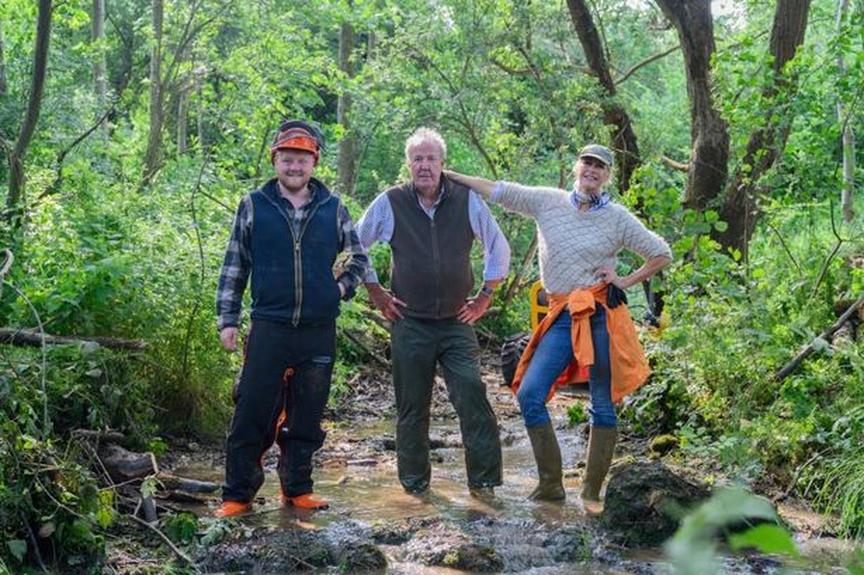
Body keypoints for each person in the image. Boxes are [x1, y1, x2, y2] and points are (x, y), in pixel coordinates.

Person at [446, 144, 672, 514]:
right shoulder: (546, 201)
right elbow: (498, 190)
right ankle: (551, 486)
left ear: (608, 175)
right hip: (560, 313)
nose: (592, 170)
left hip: (600, 313)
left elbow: (661, 252)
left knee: (602, 402)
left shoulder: (617, 218)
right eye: (587, 163)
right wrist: (450, 175)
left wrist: (625, 280)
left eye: (600, 167)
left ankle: (591, 494)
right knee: (530, 393)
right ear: (576, 167)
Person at [214, 119, 368, 517]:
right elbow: (235, 263)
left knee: (307, 415)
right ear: (275, 161)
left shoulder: (333, 208)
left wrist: (339, 289)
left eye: (302, 159)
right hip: (269, 326)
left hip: (318, 330)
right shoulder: (254, 205)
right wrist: (228, 319)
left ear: (314, 162)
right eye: (287, 159)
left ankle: (297, 489)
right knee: (251, 411)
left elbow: (358, 258)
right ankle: (238, 495)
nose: (294, 166)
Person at [357, 127, 511, 496]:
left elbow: (498, 246)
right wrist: (375, 291)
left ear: (442, 163)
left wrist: (485, 296)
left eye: (430, 158)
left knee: (472, 395)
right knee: (412, 407)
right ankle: (415, 490)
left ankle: (484, 486)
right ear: (408, 164)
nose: (424, 165)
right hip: (409, 322)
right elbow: (354, 244)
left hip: (456, 322)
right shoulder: (391, 202)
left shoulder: (466, 200)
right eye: (417, 159)